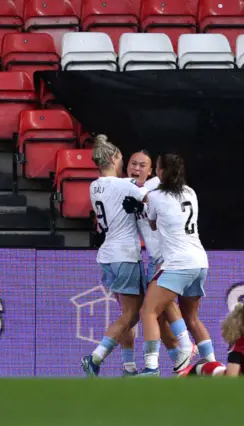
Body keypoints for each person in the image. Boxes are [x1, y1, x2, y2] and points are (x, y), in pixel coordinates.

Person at [133, 152, 214, 376]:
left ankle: (151, 367)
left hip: (178, 263)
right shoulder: (191, 192)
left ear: (159, 172)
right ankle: (213, 367)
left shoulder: (156, 196)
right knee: (192, 318)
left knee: (149, 310)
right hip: (200, 261)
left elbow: (152, 224)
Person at [119, 150, 197, 376]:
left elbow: (150, 202)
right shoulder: (124, 187)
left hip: (168, 256)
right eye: (133, 164)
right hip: (153, 258)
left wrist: (141, 203)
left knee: (151, 310)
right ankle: (182, 365)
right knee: (160, 317)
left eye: (143, 165)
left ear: (153, 171)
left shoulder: (156, 186)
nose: (137, 168)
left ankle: (181, 349)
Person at [81, 135, 150, 377]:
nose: (123, 164)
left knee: (126, 315)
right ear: (112, 158)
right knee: (133, 314)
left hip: (107, 256)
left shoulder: (94, 186)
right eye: (121, 158)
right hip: (125, 255)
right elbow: (151, 202)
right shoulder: (125, 186)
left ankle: (129, 366)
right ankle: (96, 357)